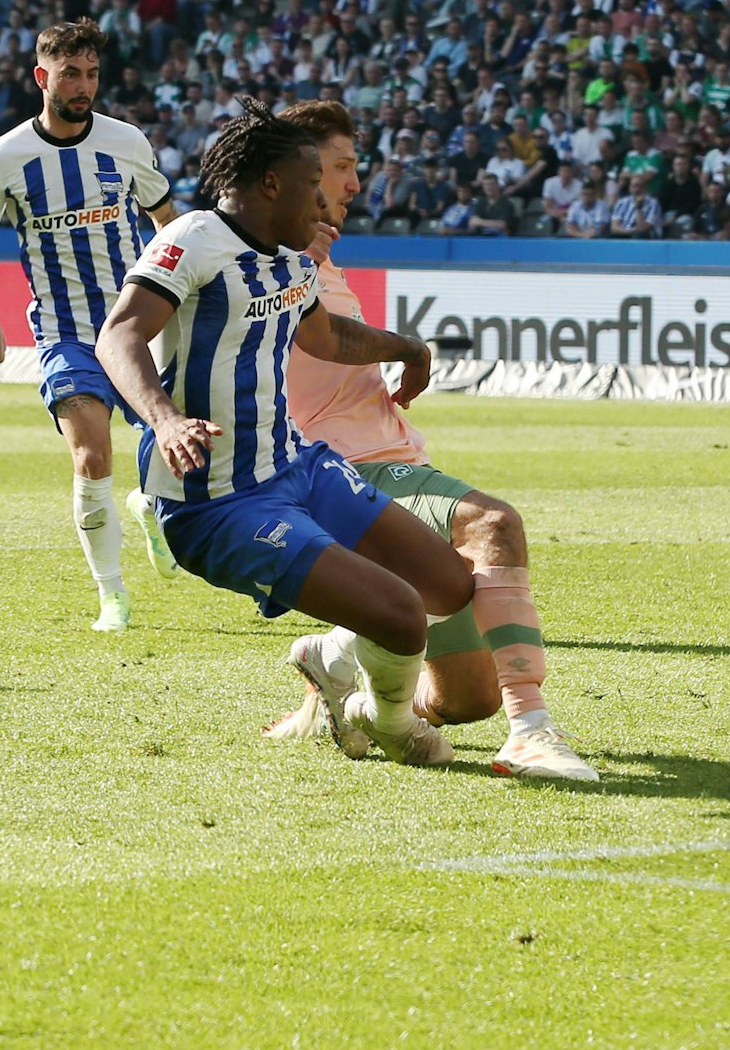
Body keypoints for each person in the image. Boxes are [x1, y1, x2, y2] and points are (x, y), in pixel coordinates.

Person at [95, 98, 470, 768]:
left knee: (448, 582)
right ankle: (390, 723)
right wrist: (165, 417)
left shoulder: (295, 260)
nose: (328, 203)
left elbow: (325, 334)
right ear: (272, 183)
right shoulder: (193, 239)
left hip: (297, 465)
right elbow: (119, 335)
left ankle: (333, 663)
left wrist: (404, 347)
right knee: (402, 614)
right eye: (314, 186)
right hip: (219, 503)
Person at [259, 101, 595, 780]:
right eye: (343, 166)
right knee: (493, 522)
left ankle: (345, 690)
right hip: (345, 477)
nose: (355, 183)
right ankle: (530, 728)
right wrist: (407, 347)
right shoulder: (276, 261)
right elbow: (319, 335)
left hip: (390, 465)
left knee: (462, 697)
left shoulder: (323, 266)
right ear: (298, 171)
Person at [0, 19, 183, 634]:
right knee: (91, 453)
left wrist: (193, 289)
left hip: (136, 326)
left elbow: (169, 222)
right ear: (43, 77)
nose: (84, 86)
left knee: (178, 452)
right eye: (71, 75)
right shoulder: (5, 157)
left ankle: (152, 507)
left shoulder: (127, 142)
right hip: (62, 331)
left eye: (91, 74)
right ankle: (112, 597)